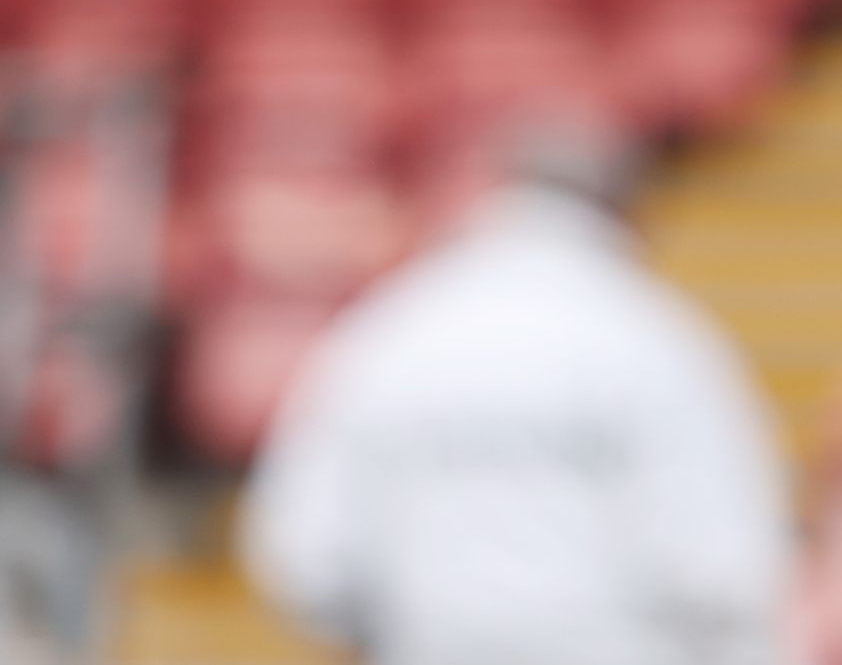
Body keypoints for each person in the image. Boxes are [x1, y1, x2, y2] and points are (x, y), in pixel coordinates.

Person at [241, 120, 792, 665]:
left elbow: (309, 551)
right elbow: (720, 561)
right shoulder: (652, 335)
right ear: (625, 205)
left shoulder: (394, 328)